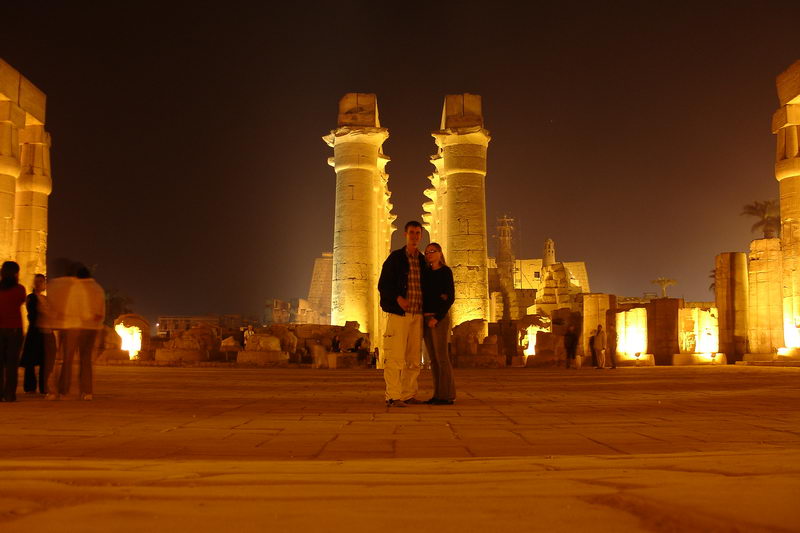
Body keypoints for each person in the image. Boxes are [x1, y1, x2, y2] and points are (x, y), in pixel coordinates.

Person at [377, 220, 426, 407]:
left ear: (421, 236)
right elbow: (383, 285)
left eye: (417, 233)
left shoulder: (422, 260)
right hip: (399, 314)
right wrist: (398, 298)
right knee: (395, 356)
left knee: (413, 358)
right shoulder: (395, 258)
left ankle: (408, 394)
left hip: (417, 315)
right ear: (405, 235)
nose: (414, 236)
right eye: (412, 232)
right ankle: (393, 395)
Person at [45, 263, 105, 400]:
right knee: (86, 360)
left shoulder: (76, 287)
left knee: (67, 359)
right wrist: (96, 320)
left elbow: (76, 306)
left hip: (75, 326)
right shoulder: (98, 288)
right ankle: (87, 391)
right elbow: (102, 310)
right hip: (93, 328)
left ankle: (62, 390)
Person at [421, 242, 456, 405]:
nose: (429, 254)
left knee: (442, 357)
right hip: (426, 318)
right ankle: (438, 394)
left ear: (440, 253)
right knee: (433, 359)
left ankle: (447, 395)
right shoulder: (426, 273)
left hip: (438, 318)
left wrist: (438, 316)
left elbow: (449, 297)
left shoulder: (445, 272)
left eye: (432, 251)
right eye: (427, 252)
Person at [20, 274, 54, 394]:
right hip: (35, 332)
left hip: (46, 332)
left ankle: (44, 387)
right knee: (31, 362)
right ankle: (30, 387)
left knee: (44, 361)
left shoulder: (46, 299)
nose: (40, 283)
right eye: (37, 281)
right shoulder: (31, 297)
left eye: (42, 281)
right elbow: (32, 314)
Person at [0, 261, 26, 402]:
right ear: (16, 273)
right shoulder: (20, 289)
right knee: (11, 364)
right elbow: (21, 301)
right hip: (14, 329)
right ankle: (10, 393)